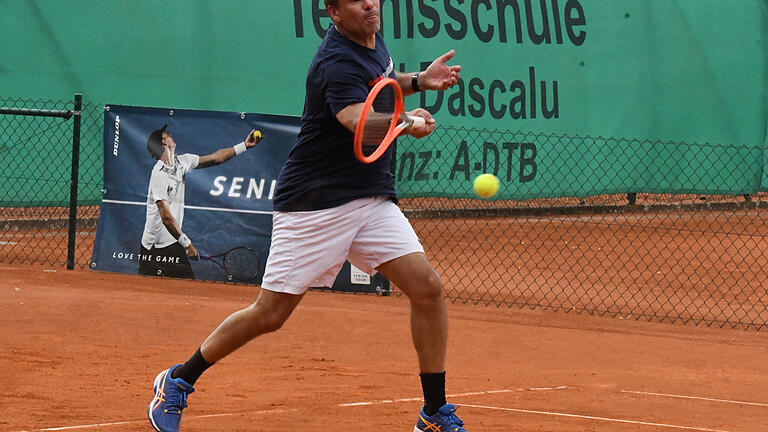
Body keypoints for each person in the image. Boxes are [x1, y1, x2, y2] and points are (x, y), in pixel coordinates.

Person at [148, 0, 465, 431]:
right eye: (356, 0)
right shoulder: (334, 61)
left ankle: (433, 414)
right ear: (334, 13)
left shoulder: (369, 34)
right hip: (313, 205)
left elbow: (381, 83)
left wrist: (417, 81)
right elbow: (356, 118)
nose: (371, 4)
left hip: (368, 198)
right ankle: (178, 381)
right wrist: (407, 121)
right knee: (270, 314)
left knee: (427, 288)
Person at [139, 125, 261, 279]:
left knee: (182, 288)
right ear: (163, 143)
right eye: (166, 135)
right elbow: (166, 218)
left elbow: (216, 158)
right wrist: (187, 244)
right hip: (155, 248)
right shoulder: (159, 174)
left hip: (173, 240)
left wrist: (244, 146)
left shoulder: (182, 162)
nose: (170, 135)